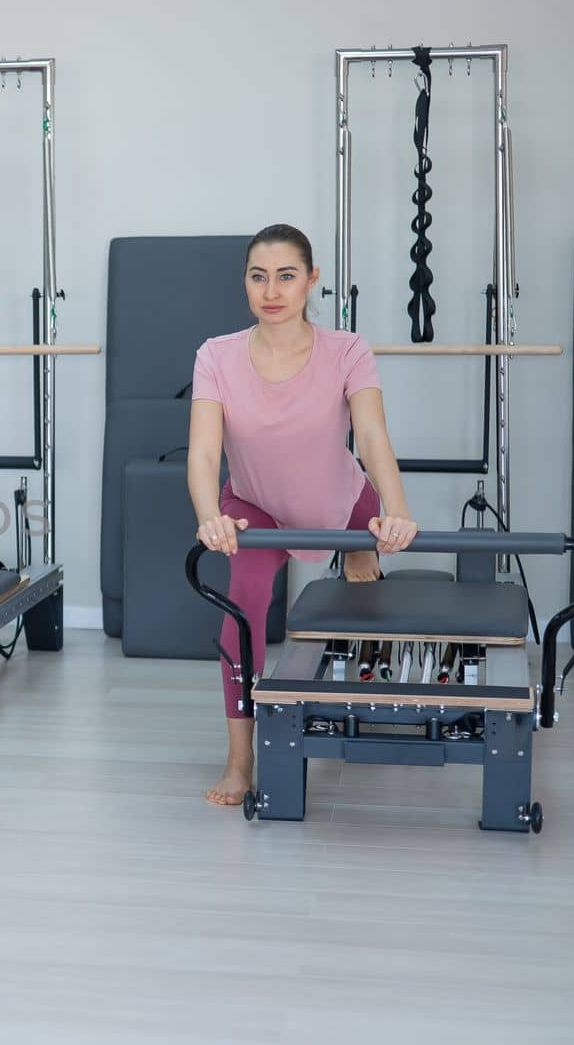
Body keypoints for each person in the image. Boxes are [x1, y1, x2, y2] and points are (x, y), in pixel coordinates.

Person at [186, 224, 419, 806]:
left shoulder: (347, 350)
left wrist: (397, 509)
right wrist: (208, 513)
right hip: (255, 506)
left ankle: (369, 697)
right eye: (258, 276)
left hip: (341, 504)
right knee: (240, 613)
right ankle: (241, 761)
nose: (272, 290)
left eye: (287, 276)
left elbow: (370, 434)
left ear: (311, 280)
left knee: (362, 591)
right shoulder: (216, 355)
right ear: (245, 282)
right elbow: (204, 450)